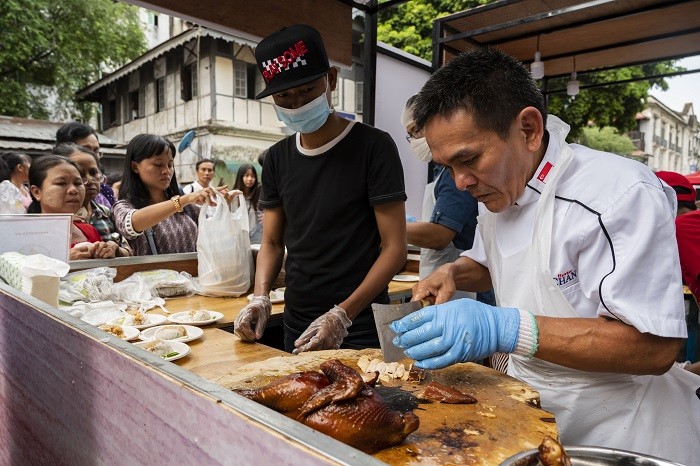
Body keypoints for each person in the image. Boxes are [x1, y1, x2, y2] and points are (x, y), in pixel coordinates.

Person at [388, 48, 699, 464]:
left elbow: (655, 347)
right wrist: (453, 273)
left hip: (620, 429)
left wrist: (506, 327)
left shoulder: (618, 193)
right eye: (447, 167)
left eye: (468, 159)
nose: (460, 182)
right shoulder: (497, 186)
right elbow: (493, 262)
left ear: (529, 129)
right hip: (530, 412)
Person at [234, 24, 407, 354]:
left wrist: (342, 315)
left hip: (361, 326)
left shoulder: (374, 147)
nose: (297, 104)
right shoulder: (276, 159)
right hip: (297, 324)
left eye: (307, 90)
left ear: (331, 79)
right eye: (284, 96)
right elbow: (271, 241)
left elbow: (394, 248)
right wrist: (260, 296)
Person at [112, 134, 233, 256]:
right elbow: (131, 224)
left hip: (191, 274)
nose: (167, 171)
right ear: (134, 167)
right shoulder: (123, 207)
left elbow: (213, 233)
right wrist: (183, 200)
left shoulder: (187, 208)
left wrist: (223, 205)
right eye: (158, 164)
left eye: (170, 165)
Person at [27, 156, 119, 260]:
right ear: (36, 192)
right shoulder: (25, 235)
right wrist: (63, 260)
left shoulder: (88, 230)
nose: (73, 190)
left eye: (78, 183)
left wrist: (105, 253)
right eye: (61, 183)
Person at [54, 143, 132, 257]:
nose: (90, 180)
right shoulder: (52, 221)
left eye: (93, 172)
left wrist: (115, 250)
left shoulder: (106, 212)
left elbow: (129, 252)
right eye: (80, 174)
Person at [55, 121, 115, 208]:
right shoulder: (56, 204)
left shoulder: (105, 191)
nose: (92, 156)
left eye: (96, 150)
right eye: (85, 149)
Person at [233, 163, 263, 243]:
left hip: (256, 236)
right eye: (246, 175)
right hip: (237, 237)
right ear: (240, 177)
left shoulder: (259, 196)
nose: (250, 179)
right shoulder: (234, 197)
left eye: (253, 176)